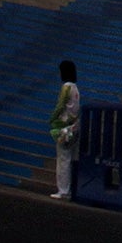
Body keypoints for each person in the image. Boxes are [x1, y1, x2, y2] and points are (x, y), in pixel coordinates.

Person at [47, 59, 81, 200]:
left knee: (63, 159)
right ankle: (68, 189)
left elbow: (61, 105)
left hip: (64, 127)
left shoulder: (66, 87)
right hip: (74, 125)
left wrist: (52, 118)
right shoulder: (75, 88)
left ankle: (63, 190)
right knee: (70, 159)